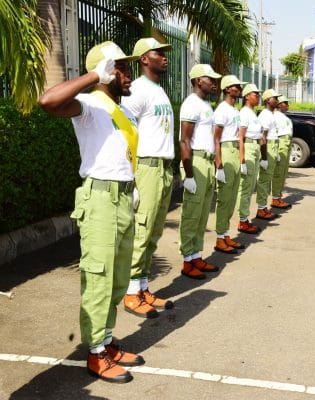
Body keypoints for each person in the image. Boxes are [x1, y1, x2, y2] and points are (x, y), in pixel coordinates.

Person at [39, 41, 144, 383]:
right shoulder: (88, 103)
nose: (129, 74)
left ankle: (107, 339)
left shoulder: (123, 111)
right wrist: (93, 76)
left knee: (117, 277)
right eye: (122, 68)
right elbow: (48, 101)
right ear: (107, 71)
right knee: (99, 276)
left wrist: (133, 184)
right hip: (99, 199)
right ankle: (96, 352)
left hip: (124, 196)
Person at [120, 37, 175, 319]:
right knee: (142, 230)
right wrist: (132, 177)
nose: (165, 57)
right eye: (159, 53)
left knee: (153, 231)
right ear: (144, 59)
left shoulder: (158, 90)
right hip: (147, 166)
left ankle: (142, 287)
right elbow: (126, 134)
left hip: (164, 167)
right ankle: (130, 293)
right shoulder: (138, 90)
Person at [178, 64, 222, 278]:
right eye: (209, 78)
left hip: (206, 161)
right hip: (195, 161)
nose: (213, 82)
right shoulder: (191, 104)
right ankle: (187, 261)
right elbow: (184, 140)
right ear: (197, 81)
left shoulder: (204, 104)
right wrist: (188, 175)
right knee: (192, 214)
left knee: (203, 212)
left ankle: (196, 255)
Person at [213, 75, 246, 253]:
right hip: (225, 151)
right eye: (236, 86)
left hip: (233, 150)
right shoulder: (222, 110)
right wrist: (218, 165)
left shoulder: (234, 110)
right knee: (224, 198)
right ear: (227, 89)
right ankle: (219, 238)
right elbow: (216, 139)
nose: (239, 88)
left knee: (232, 196)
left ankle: (225, 234)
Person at [236, 83, 263, 234]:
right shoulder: (244, 113)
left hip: (255, 148)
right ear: (247, 96)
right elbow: (240, 138)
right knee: (245, 186)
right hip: (248, 147)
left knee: (250, 184)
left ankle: (244, 218)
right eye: (255, 94)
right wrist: (242, 160)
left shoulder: (252, 113)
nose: (258, 96)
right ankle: (243, 220)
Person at [255, 88, 282, 220]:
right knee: (264, 180)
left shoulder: (271, 114)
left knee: (268, 179)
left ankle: (263, 206)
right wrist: (264, 157)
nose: (277, 100)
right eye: (274, 98)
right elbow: (263, 137)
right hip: (268, 147)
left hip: (272, 146)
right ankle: (261, 208)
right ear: (267, 100)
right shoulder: (265, 115)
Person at [271, 95, 293, 209]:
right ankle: (275, 198)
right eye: (285, 103)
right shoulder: (275, 116)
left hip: (287, 143)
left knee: (283, 172)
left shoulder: (282, 116)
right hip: (281, 143)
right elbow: (274, 133)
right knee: (279, 173)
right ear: (279, 104)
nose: (287, 105)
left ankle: (278, 196)